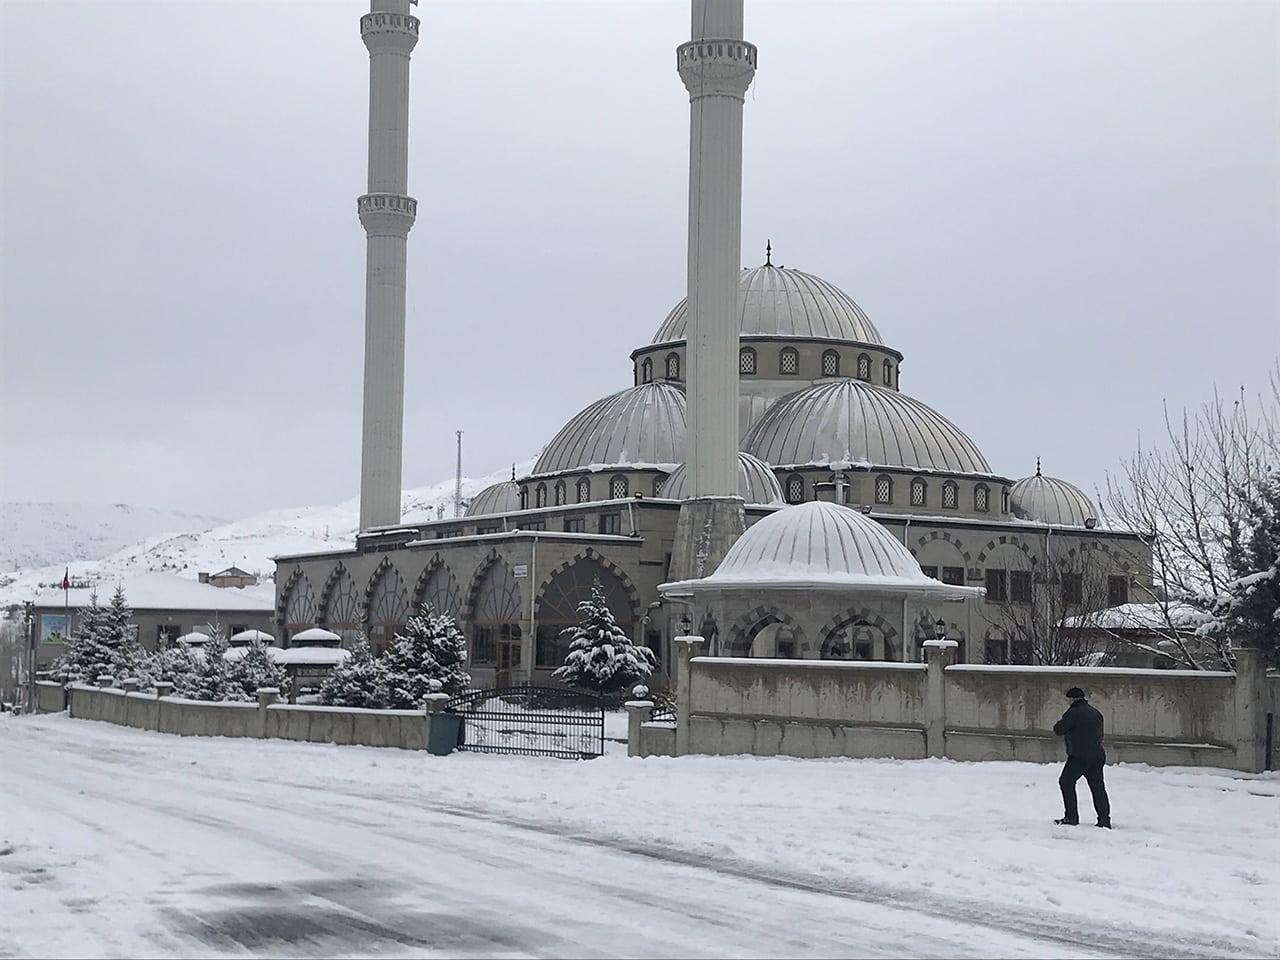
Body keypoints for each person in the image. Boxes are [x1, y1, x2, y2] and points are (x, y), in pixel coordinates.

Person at [1052, 686, 1112, 828]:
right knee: (1098, 787)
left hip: (1079, 756)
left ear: (1072, 699)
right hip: (1097, 754)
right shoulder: (1095, 712)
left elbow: (1059, 729)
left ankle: (1071, 817)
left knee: (1066, 782)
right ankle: (1104, 820)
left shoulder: (1073, 713)